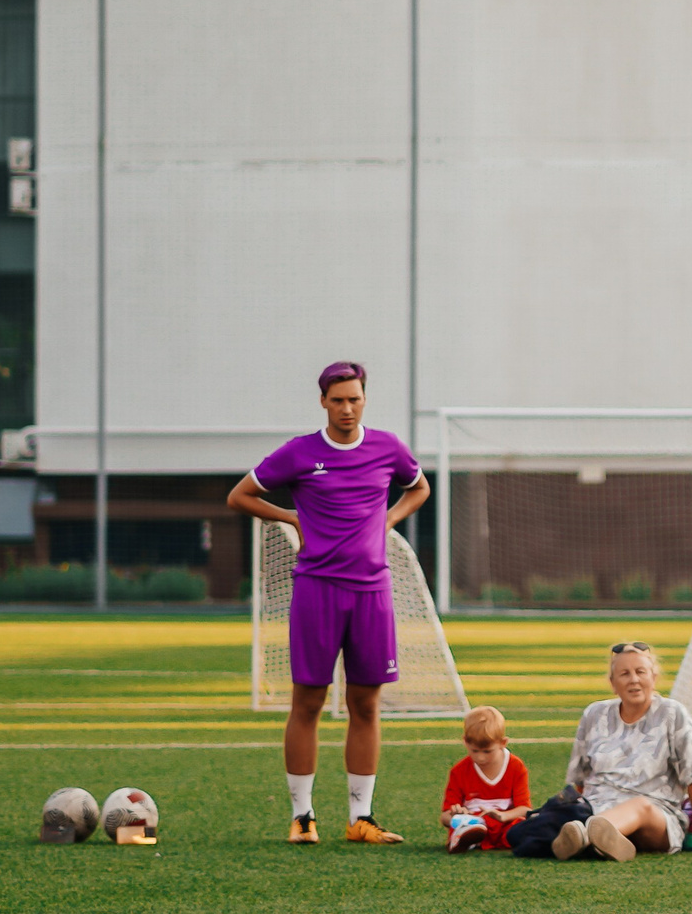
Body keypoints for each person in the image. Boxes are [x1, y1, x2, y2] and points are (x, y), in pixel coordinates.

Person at [227, 361, 430, 846]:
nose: (346, 408)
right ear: (323, 401)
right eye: (337, 399)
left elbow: (418, 486)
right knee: (309, 702)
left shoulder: (387, 447)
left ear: (365, 400)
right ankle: (303, 817)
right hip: (317, 590)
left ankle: (361, 818)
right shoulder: (300, 452)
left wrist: (387, 520)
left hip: (372, 594)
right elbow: (239, 496)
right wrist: (291, 517)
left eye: (354, 399)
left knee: (366, 704)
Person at [552, 642, 692, 861]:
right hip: (596, 807)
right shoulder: (594, 714)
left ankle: (585, 837)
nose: (633, 679)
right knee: (574, 815)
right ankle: (599, 840)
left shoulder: (672, 714)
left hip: (655, 816)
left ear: (653, 677)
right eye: (624, 674)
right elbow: (580, 781)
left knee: (640, 806)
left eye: (640, 672)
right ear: (613, 683)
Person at [441, 705, 531, 853]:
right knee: (465, 826)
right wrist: (455, 815)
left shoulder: (515, 766)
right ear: (465, 742)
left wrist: (503, 816)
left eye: (487, 751)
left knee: (524, 825)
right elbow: (444, 817)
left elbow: (525, 809)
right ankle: (467, 838)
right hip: (473, 822)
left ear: (503, 743)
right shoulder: (459, 771)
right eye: (474, 751)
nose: (480, 757)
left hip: (504, 824)